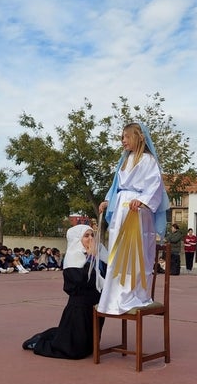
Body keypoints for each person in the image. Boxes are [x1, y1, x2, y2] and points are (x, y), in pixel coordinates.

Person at [96, 122, 169, 315]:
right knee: (117, 250)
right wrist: (107, 200)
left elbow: (154, 186)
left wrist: (143, 201)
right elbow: (116, 186)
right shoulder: (124, 160)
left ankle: (134, 294)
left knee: (135, 254)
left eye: (126, 137)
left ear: (137, 137)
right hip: (120, 207)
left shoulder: (148, 160)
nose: (123, 141)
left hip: (138, 211)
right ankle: (113, 296)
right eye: (122, 138)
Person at [22, 225, 106, 359]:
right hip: (79, 308)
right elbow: (82, 281)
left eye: (92, 235)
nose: (91, 239)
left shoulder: (98, 255)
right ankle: (38, 343)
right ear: (77, 239)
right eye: (86, 236)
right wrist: (91, 258)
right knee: (73, 351)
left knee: (89, 347)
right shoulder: (73, 257)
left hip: (94, 304)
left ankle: (54, 334)